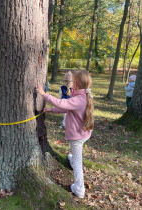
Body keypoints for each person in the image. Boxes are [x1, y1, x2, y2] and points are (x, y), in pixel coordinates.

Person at [36, 70, 94, 198]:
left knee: (78, 161)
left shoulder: (79, 98)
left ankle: (79, 189)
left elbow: (61, 102)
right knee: (76, 155)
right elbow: (67, 107)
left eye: (73, 81)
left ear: (77, 83)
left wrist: (44, 94)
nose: (72, 83)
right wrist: (52, 110)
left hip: (78, 136)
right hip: (83, 133)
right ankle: (74, 159)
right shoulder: (82, 96)